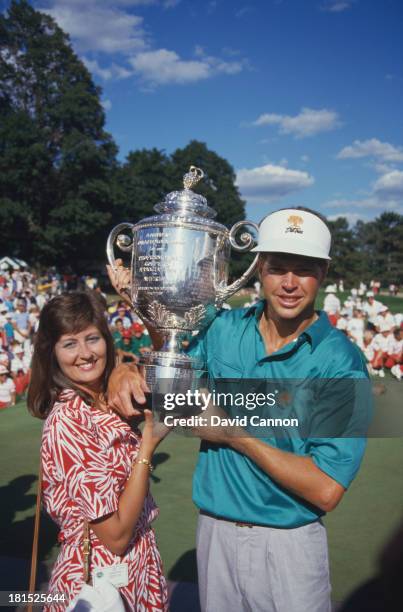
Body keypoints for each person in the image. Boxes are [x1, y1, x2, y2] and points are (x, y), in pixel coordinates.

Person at [107, 207, 371, 612]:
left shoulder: (341, 361)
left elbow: (327, 488)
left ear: (323, 273)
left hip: (291, 545)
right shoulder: (223, 330)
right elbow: (170, 374)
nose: (288, 283)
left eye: (303, 270)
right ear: (258, 268)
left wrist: (233, 433)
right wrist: (123, 370)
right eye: (277, 267)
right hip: (215, 536)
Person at [27, 291, 169, 611]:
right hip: (97, 579)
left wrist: (139, 301)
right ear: (52, 353)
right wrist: (147, 447)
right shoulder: (68, 421)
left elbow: (166, 362)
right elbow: (115, 535)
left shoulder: (103, 399)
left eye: (92, 338)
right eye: (70, 343)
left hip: (136, 568)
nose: (85, 353)